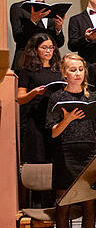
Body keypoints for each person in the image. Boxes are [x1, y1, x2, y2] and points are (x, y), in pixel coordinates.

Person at [46, 54, 96, 228]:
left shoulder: (91, 97)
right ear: (64, 73)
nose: (77, 73)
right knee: (63, 206)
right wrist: (67, 119)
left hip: (88, 152)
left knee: (89, 205)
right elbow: (53, 133)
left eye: (80, 69)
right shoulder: (57, 97)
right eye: (72, 70)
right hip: (65, 153)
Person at [17, 33, 61, 164]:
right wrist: (34, 92)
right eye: (44, 47)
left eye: (51, 47)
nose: (49, 51)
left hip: (54, 117)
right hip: (35, 117)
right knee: (37, 154)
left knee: (54, 154)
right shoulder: (27, 71)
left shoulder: (58, 70)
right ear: (35, 50)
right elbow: (20, 98)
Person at [10, 0, 65, 70]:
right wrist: (33, 21)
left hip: (49, 64)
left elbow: (59, 43)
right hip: (26, 62)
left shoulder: (51, 9)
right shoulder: (18, 8)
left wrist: (58, 28)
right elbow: (18, 37)